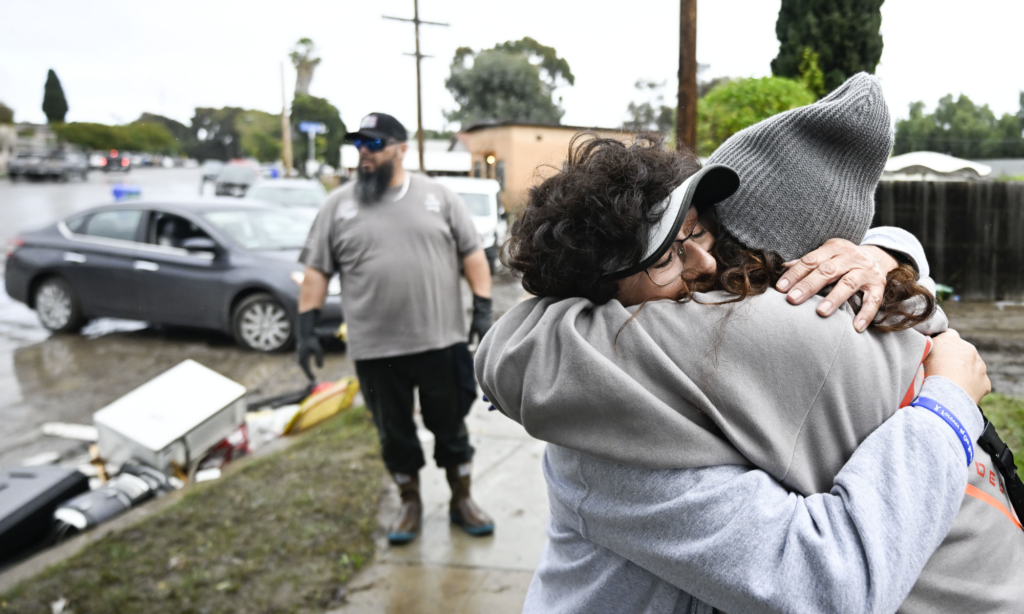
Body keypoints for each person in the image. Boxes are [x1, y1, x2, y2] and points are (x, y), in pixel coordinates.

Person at [477, 75, 1020, 612]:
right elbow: (825, 586)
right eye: (666, 256)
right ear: (599, 299)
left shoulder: (699, 357)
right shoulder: (606, 429)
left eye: (696, 229)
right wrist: (944, 408)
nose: (707, 262)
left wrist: (882, 253)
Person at [296, 112, 496, 544]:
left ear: (401, 148)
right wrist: (306, 326)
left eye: (374, 144)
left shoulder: (439, 197)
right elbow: (315, 270)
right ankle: (410, 503)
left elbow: (473, 256)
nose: (364, 153)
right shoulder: (338, 205)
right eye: (360, 145)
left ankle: (462, 499)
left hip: (440, 340)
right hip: (375, 348)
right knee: (394, 432)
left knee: (451, 426)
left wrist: (482, 310)